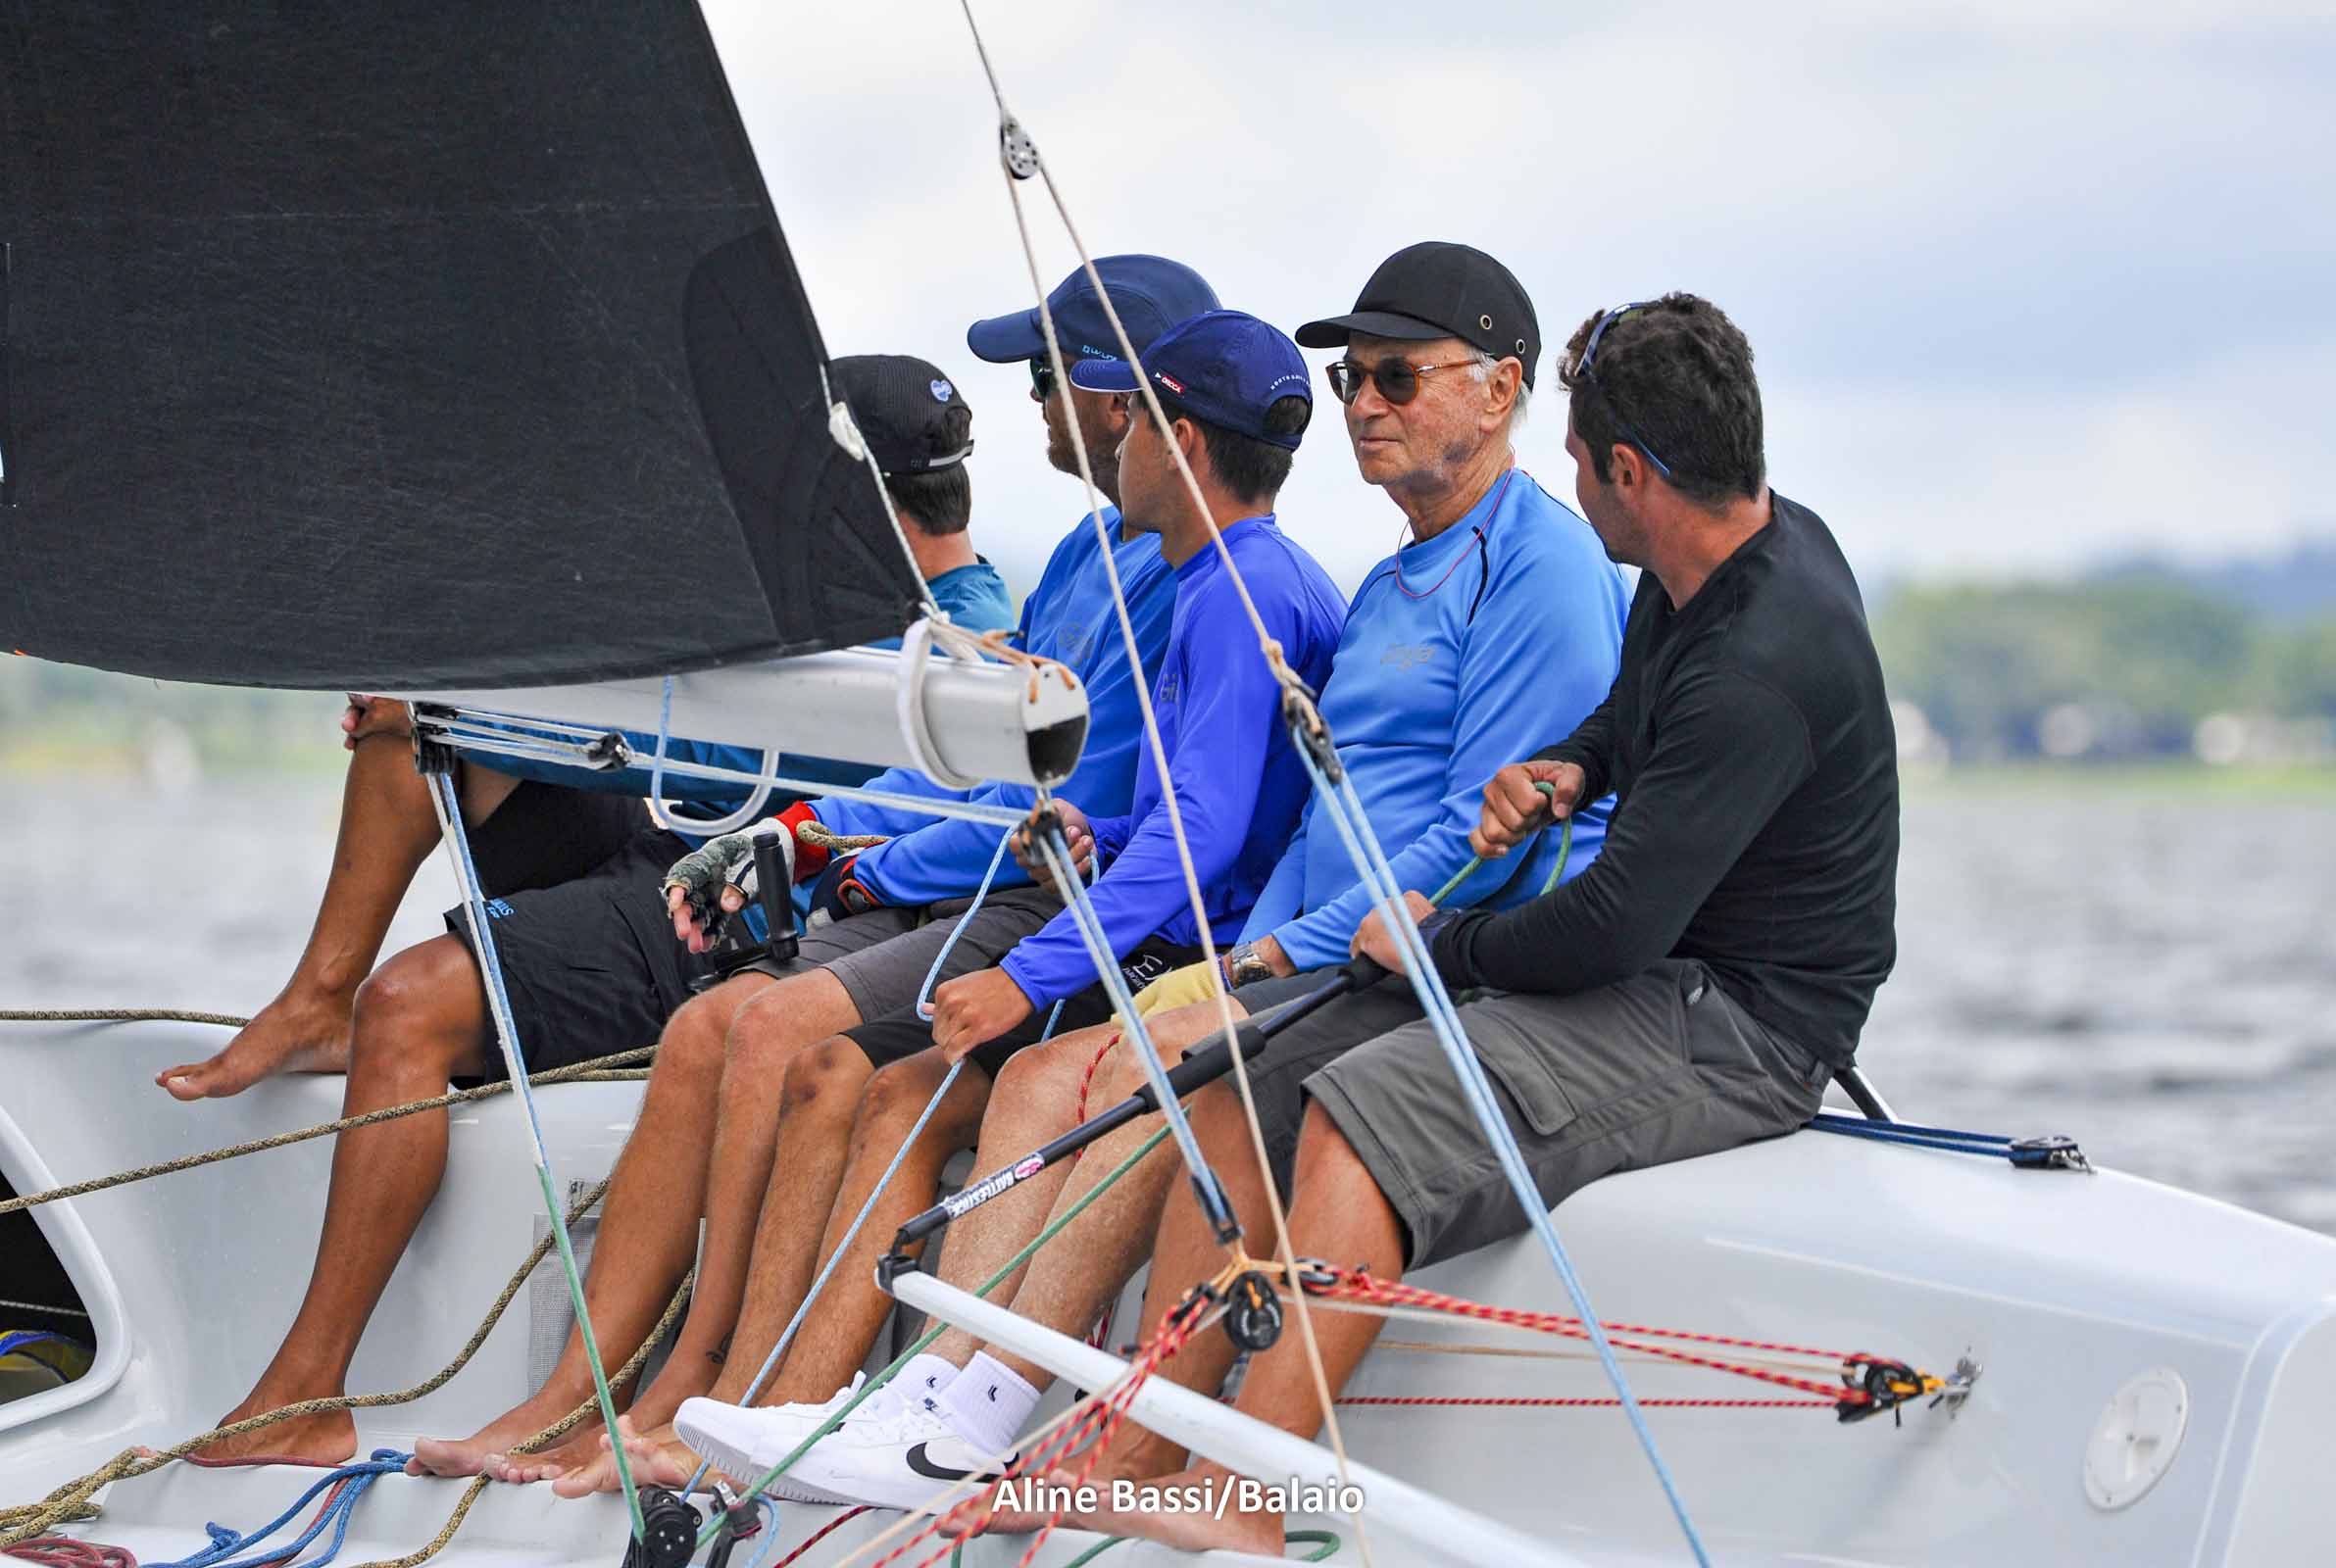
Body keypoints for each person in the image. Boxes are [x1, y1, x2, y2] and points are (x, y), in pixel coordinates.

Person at [681, 242, 1634, 1513]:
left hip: (1396, 955)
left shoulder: (1535, 564)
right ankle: (934, 1402)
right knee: (1033, 1075)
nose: (1363, 403)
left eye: (1395, 376)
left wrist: (1267, 952)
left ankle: (987, 1414)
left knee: (1122, 1065)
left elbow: (1479, 830)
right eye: (1351, 378)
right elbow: (1304, 822)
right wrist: (1233, 930)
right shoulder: (1387, 577)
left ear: (1500, 387)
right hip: (1295, 939)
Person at [1030, 292, 1902, 1558]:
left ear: (1627, 472)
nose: (1566, 480)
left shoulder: (1759, 664)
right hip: (1655, 967)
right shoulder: (1709, 557)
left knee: (1363, 1112)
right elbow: (1631, 717)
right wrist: (1571, 765)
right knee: (1239, 1073)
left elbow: (1607, 929)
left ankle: (1250, 1498)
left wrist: (1429, 942)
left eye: (1576, 458)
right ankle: (1132, 1453)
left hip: (1740, 1023)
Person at [407, 258, 1221, 1488]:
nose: (1035, 404)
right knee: (705, 1029)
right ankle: (576, 1394)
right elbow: (974, 766)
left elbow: (1061, 804)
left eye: (1047, 378)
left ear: (1119, 396)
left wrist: (857, 855)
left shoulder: (1168, 580)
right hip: (957, 875)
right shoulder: (1084, 551)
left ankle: (698, 1388)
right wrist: (816, 830)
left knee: (775, 1031)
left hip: (1038, 901)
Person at [182, 353, 1017, 1465]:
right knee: (408, 721)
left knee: (409, 1005)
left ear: (853, 497)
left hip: (736, 899)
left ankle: (306, 1398)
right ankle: (311, 999)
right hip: (672, 830)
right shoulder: (829, 595)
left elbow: (746, 771)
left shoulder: (958, 643)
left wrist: (496, 719)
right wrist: (452, 702)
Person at [584, 307, 1351, 1500]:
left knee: (910, 1075)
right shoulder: (1229, 576)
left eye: (1132, 422)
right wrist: (1085, 844)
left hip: (1180, 950)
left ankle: (879, 1407)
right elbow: (1184, 815)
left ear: (1182, 439)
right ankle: (796, 1411)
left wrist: (1023, 975)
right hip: (1157, 922)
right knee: (889, 1087)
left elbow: (1199, 840)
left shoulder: (1230, 589)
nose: (1112, 439)